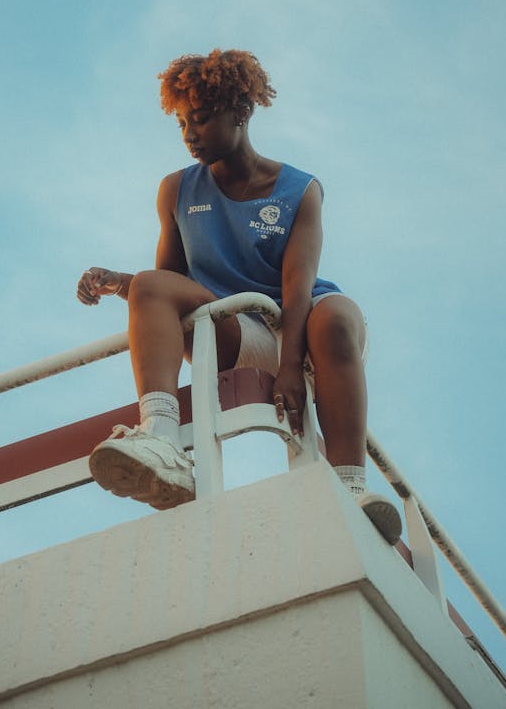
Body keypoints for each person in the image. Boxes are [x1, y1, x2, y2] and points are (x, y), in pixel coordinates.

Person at [76, 49, 401, 543]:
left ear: (241, 113)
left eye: (202, 120)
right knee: (148, 282)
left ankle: (349, 489)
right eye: (182, 122)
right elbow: (167, 287)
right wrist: (121, 282)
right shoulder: (176, 190)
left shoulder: (299, 190)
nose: (189, 133)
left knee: (335, 313)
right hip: (236, 329)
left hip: (308, 332)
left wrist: (291, 367)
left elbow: (297, 288)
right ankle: (162, 442)